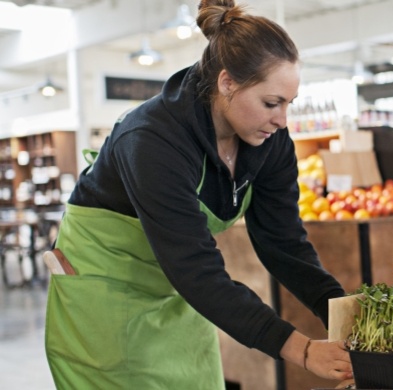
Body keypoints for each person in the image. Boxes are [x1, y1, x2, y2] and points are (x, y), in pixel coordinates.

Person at [44, 0, 352, 387]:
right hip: (107, 298)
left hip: (175, 290)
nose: (282, 119)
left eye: (289, 104)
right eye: (271, 103)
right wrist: (301, 350)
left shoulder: (270, 140)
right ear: (227, 83)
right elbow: (195, 268)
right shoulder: (152, 141)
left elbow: (284, 241)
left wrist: (341, 311)